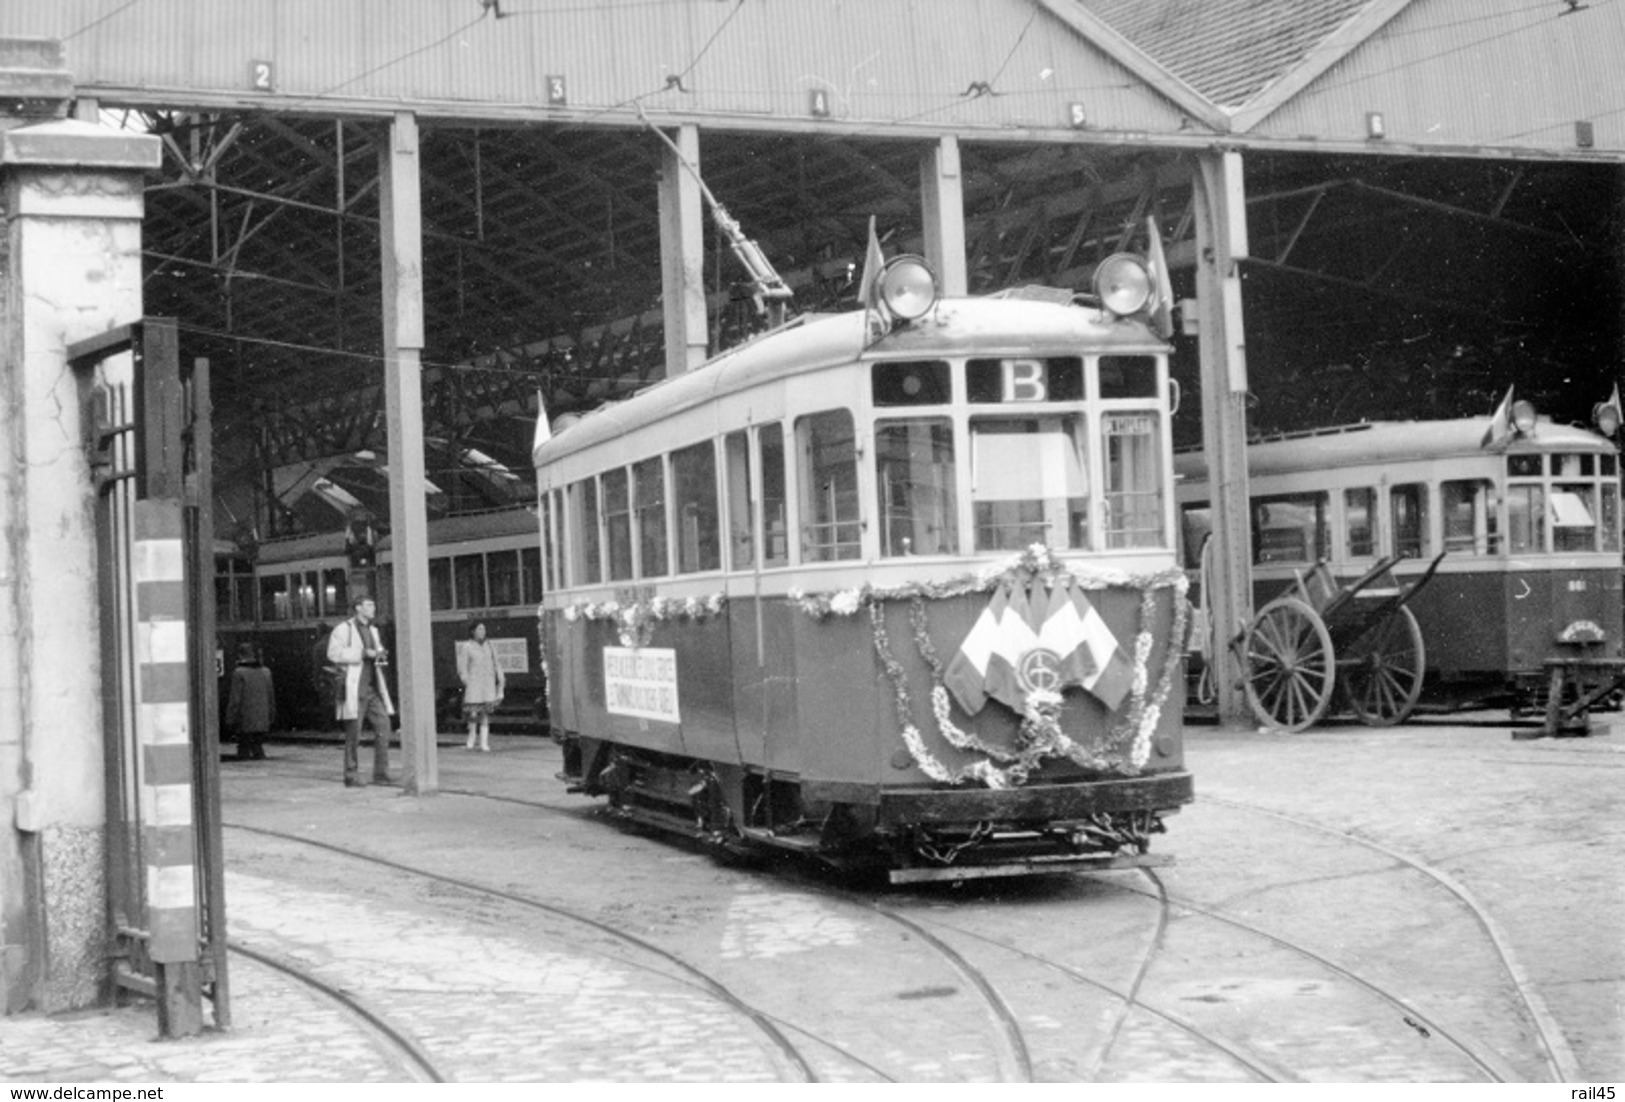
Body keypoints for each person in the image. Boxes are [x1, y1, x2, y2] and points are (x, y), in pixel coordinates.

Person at [327, 595, 395, 787]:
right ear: (358, 608)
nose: (373, 608)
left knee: (384, 726)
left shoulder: (373, 630)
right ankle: (351, 774)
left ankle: (381, 773)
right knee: (354, 734)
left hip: (371, 689)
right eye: (369, 605)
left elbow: (376, 654)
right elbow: (333, 653)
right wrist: (363, 653)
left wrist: (380, 655)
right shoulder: (344, 629)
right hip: (355, 689)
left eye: (373, 604)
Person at [457, 621, 505, 752]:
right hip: (474, 684)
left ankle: (484, 742)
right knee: (473, 713)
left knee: (485, 713)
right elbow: (462, 667)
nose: (482, 631)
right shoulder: (467, 646)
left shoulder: (489, 646)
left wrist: (500, 683)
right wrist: (467, 681)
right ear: (473, 631)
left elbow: (497, 664)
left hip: (487, 684)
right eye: (479, 629)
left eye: (483, 629)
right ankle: (471, 739)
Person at [225, 642, 275, 761]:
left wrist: (230, 718)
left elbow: (235, 699)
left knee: (243, 752)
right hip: (262, 720)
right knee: (258, 748)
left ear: (240, 655)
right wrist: (271, 716)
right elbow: (271, 697)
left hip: (245, 721)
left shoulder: (239, 673)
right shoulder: (266, 672)